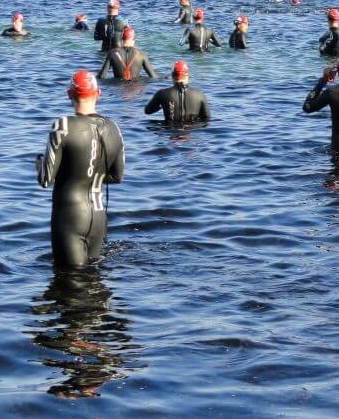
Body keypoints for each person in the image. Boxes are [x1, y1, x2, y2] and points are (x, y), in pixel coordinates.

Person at [36, 71, 124, 268]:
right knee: (94, 282)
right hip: (99, 216)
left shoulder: (63, 126)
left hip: (70, 216)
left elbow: (45, 179)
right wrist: (90, 175)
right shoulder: (114, 128)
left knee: (70, 282)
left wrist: (38, 162)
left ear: (69, 95)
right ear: (98, 93)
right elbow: (117, 176)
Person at [144, 61, 211, 125]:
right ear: (187, 75)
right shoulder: (199, 94)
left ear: (172, 76)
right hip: (191, 131)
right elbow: (207, 118)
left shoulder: (162, 94)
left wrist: (161, 105)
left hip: (170, 130)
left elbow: (147, 111)